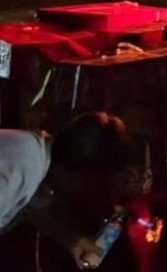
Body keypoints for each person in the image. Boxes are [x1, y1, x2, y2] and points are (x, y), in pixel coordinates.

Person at [1, 110, 132, 270]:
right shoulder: (22, 166)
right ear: (74, 177)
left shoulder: (33, 155)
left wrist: (72, 240)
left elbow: (32, 209)